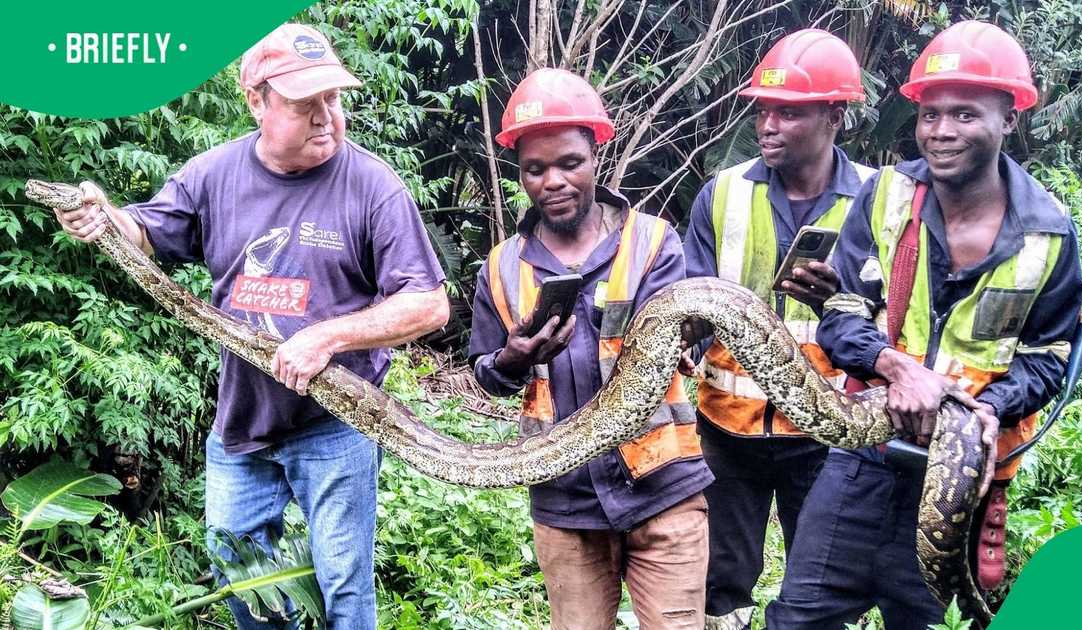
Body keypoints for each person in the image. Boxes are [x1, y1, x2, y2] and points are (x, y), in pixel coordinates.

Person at [49, 23, 449, 629]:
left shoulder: (373, 187)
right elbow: (145, 232)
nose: (325, 118)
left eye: (332, 99)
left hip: (336, 425)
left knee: (343, 587)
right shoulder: (214, 174)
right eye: (303, 103)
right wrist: (100, 217)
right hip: (242, 424)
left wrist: (327, 336)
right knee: (244, 583)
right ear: (256, 100)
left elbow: (428, 304)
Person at [766, 20, 1082, 629]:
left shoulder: (1049, 232)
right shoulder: (886, 195)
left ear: (1008, 117)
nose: (941, 132)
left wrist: (985, 409)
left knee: (931, 621)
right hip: (865, 457)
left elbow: (1050, 357)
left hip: (965, 475)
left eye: (965, 115)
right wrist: (895, 367)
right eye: (930, 115)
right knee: (798, 618)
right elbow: (841, 308)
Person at [469, 67, 713, 629]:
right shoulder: (501, 268)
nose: (552, 180)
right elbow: (484, 371)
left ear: (597, 155)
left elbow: (677, 343)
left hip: (663, 489)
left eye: (569, 163)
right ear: (521, 173)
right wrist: (512, 360)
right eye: (535, 169)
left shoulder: (654, 242)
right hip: (566, 502)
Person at [681, 29, 874, 629]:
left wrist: (836, 304)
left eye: (788, 112)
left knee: (818, 586)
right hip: (726, 427)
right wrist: (679, 338)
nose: (768, 125)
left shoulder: (880, 200)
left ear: (835, 115)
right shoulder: (722, 195)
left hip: (827, 434)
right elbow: (689, 297)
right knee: (721, 584)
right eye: (763, 110)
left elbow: (903, 319)